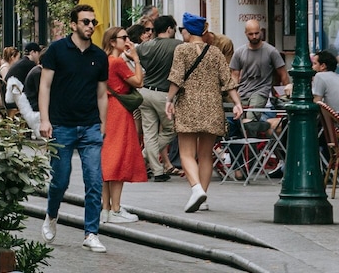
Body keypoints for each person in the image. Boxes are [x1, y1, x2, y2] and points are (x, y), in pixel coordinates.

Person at [36, 5, 110, 253]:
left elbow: (102, 94)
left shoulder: (99, 56)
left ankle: (91, 232)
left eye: (93, 22)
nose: (90, 25)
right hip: (61, 124)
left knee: (94, 181)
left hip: (90, 126)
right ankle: (52, 214)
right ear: (73, 24)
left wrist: (103, 124)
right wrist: (44, 120)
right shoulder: (57, 50)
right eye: (85, 21)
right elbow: (45, 86)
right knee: (60, 180)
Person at [165, 13, 243, 214]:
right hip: (212, 107)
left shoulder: (182, 50)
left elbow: (176, 79)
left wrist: (169, 100)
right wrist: (237, 103)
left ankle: (197, 189)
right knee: (206, 154)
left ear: (187, 31)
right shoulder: (215, 52)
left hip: (189, 105)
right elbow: (228, 81)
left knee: (186, 153)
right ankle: (204, 197)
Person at [100, 26, 149, 224]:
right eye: (124, 37)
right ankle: (116, 209)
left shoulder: (104, 60)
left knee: (107, 159)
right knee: (119, 158)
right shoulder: (117, 62)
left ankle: (105, 209)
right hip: (119, 111)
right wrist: (136, 58)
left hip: (106, 109)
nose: (127, 40)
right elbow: (138, 82)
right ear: (113, 42)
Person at [135, 15, 183, 182]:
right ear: (169, 29)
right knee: (171, 129)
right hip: (164, 94)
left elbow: (133, 57)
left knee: (149, 133)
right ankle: (142, 157)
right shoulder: (178, 46)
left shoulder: (144, 46)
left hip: (145, 92)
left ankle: (157, 172)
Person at [231, 19, 290, 120]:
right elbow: (234, 75)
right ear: (245, 33)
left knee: (250, 118)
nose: (254, 36)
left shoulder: (271, 51)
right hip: (243, 91)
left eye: (256, 33)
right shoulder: (239, 52)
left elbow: (283, 73)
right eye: (251, 34)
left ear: (261, 31)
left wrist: (285, 94)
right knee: (239, 119)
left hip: (261, 90)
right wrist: (234, 93)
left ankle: (251, 133)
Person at [5, 42, 44, 131]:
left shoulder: (22, 62)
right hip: (19, 99)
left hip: (11, 95)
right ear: (33, 52)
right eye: (38, 53)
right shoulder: (30, 65)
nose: (39, 56)